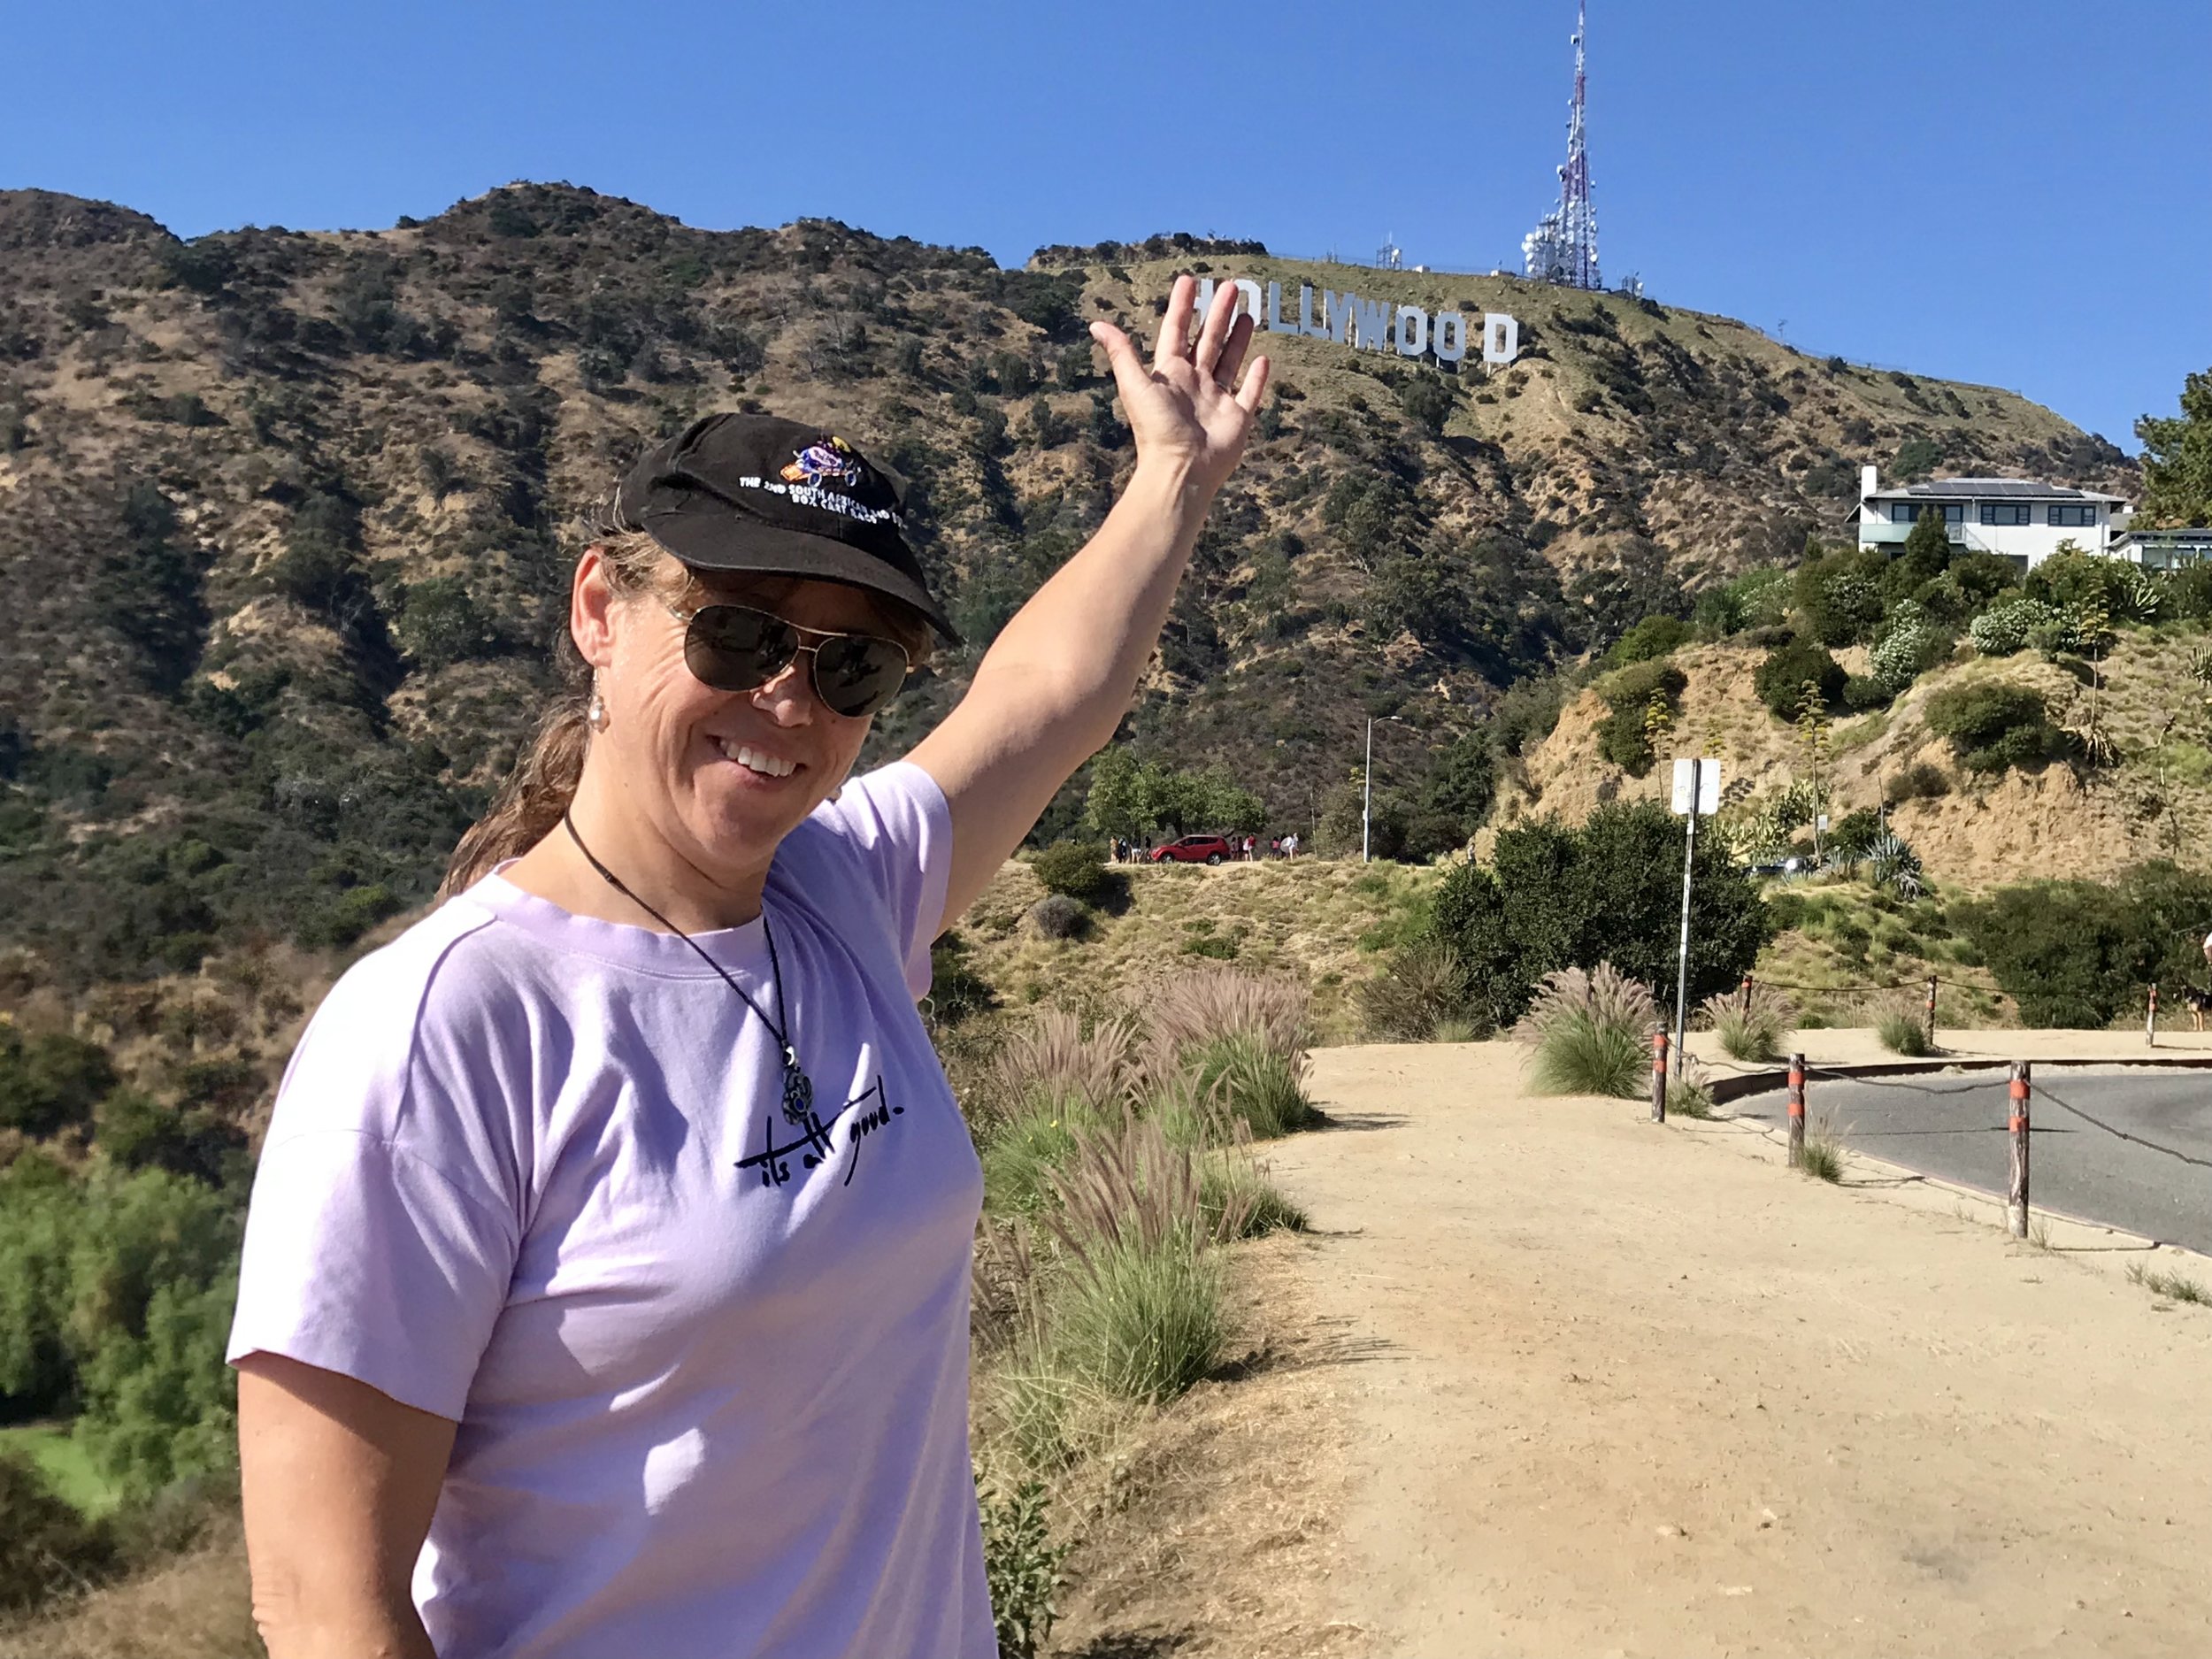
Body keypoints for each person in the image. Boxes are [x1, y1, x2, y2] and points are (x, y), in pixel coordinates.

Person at [226, 276, 1270, 1659]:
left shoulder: (843, 893)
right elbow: (324, 1605)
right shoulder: (448, 1030)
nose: (790, 700)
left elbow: (1042, 702)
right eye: (740, 631)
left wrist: (1174, 478)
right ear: (602, 608)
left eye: (852, 668)